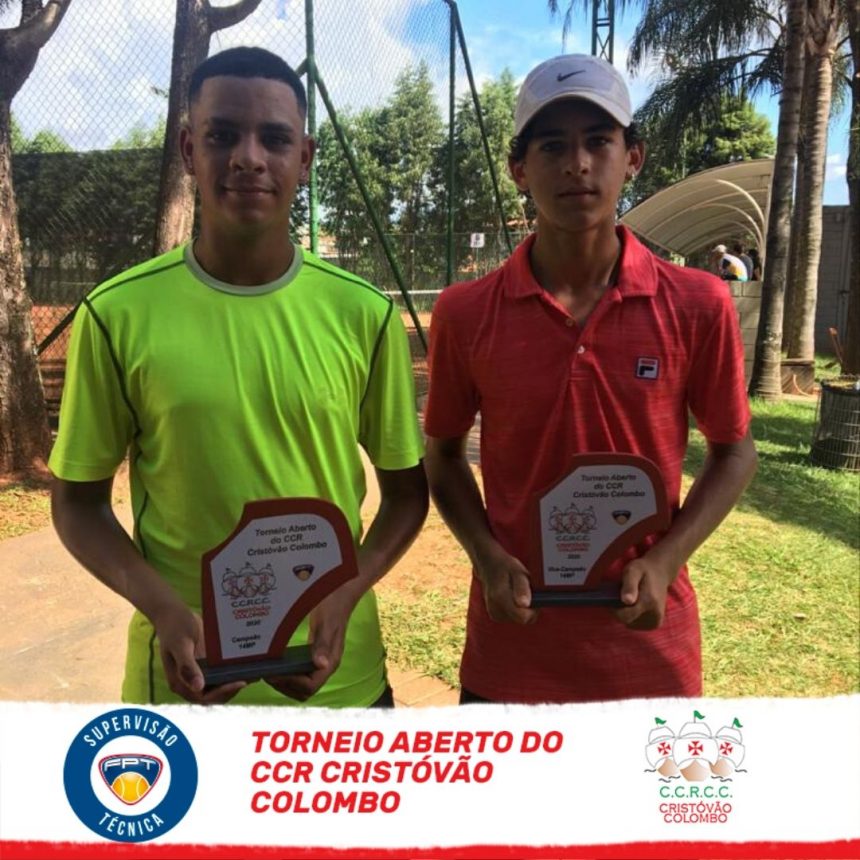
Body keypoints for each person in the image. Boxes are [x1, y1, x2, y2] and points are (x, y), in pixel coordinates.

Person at [49, 47, 428, 708]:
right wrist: (163, 608)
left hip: (342, 688)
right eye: (222, 135)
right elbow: (77, 503)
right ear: (188, 149)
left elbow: (406, 495)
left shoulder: (365, 315)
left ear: (304, 158)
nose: (248, 158)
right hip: (185, 689)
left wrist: (347, 591)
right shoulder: (116, 315)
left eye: (274, 139)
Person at [424, 54, 757, 704]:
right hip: (511, 656)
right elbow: (442, 456)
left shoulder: (698, 304)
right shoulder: (465, 313)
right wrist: (487, 558)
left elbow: (735, 451)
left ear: (633, 156)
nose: (577, 164)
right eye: (552, 146)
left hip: (648, 656)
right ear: (519, 169)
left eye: (598, 141)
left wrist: (665, 560)